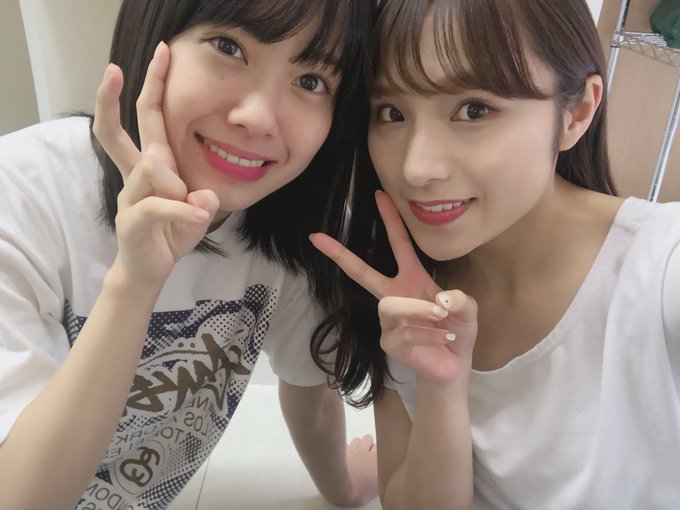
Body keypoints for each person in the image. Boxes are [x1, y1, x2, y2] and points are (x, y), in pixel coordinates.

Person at [0, 1, 378, 509]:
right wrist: (135, 283)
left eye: (311, 81)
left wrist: (345, 488)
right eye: (229, 47)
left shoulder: (296, 231)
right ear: (153, 32)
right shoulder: (22, 194)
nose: (258, 118)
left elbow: (309, 390)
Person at [310, 0, 680, 508]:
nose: (416, 168)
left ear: (576, 113)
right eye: (392, 113)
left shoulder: (660, 267)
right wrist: (440, 390)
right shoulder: (399, 284)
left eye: (474, 110)